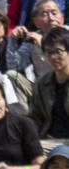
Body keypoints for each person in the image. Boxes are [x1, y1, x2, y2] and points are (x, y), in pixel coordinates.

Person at [29, 25, 69, 154]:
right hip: (48, 138)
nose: (53, 57)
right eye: (49, 52)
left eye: (58, 51)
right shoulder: (42, 83)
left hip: (64, 142)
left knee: (34, 149)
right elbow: (35, 117)